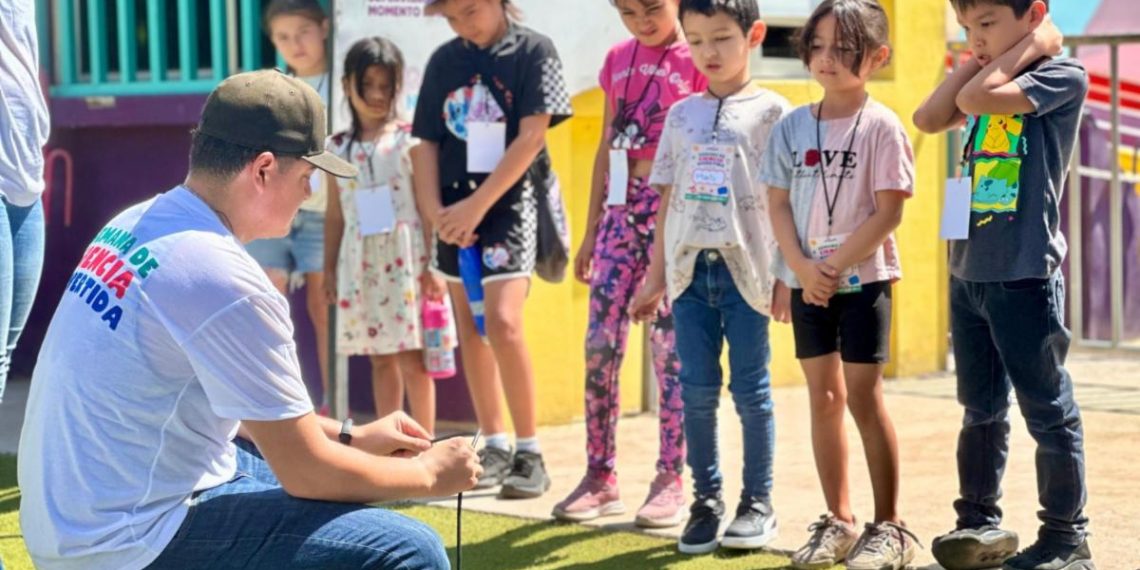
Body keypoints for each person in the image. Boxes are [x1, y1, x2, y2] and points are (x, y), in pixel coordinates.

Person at [17, 70, 480, 570]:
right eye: (307, 177)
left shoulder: (135, 221)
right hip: (124, 542)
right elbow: (307, 472)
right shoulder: (226, 280)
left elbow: (254, 418)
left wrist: (354, 437)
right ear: (262, 169)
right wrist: (432, 473)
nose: (309, 195)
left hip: (71, 524)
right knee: (409, 550)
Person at [913, 1, 1094, 569]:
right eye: (966, 28)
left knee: (1046, 407)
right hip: (970, 273)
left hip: (1023, 276)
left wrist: (1035, 48)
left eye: (987, 24)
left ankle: (1067, 538)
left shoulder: (1059, 76)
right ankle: (978, 523)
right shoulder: (991, 71)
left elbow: (973, 101)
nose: (976, 40)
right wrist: (993, 50)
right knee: (980, 407)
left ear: (1034, 13)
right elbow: (929, 115)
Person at [761, 1, 919, 568]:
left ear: (877, 56)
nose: (827, 59)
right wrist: (802, 270)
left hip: (864, 280)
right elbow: (777, 205)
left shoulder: (882, 126)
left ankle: (891, 527)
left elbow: (888, 213)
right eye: (818, 45)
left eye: (844, 48)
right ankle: (839, 520)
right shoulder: (791, 126)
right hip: (808, 282)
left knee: (863, 397)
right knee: (823, 397)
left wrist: (832, 268)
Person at [629, 0, 790, 554]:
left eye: (721, 38)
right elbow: (666, 202)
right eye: (696, 41)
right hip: (687, 275)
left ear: (755, 35)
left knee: (752, 392)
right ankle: (706, 500)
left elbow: (787, 203)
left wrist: (786, 274)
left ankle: (757, 502)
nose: (709, 52)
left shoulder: (776, 113)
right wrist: (654, 279)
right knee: (695, 393)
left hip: (749, 275)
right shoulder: (680, 116)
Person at [552, 0, 705, 528]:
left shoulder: (697, 55)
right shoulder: (617, 59)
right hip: (620, 213)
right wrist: (592, 227)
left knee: (670, 354)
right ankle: (600, 476)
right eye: (628, 11)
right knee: (600, 346)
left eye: (653, 8)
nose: (643, 20)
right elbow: (605, 144)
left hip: (674, 214)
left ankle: (670, 475)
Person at [412, 0, 573, 499]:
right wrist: (436, 211)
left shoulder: (535, 51)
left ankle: (530, 451)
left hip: (507, 209)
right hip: (453, 216)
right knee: (471, 330)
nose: (464, 24)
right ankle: (496, 444)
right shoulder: (443, 60)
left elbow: (531, 138)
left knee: (502, 322)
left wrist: (477, 208)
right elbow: (423, 143)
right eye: (452, 17)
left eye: (471, 10)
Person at [323, 37, 453, 435]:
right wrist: (328, 269)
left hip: (408, 262)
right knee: (380, 358)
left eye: (386, 86)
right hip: (361, 265)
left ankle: (425, 444)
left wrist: (434, 264)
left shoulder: (410, 141)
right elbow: (335, 214)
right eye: (369, 85)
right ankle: (391, 445)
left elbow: (428, 208)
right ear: (348, 85)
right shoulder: (336, 149)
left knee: (414, 358)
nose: (378, 95)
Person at [249, 0, 336, 414]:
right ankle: (277, 408)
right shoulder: (277, 90)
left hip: (324, 215)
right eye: (283, 37)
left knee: (324, 311)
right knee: (264, 306)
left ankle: (328, 406)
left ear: (324, 27)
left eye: (302, 32)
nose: (294, 44)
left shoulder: (341, 85)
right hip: (275, 214)